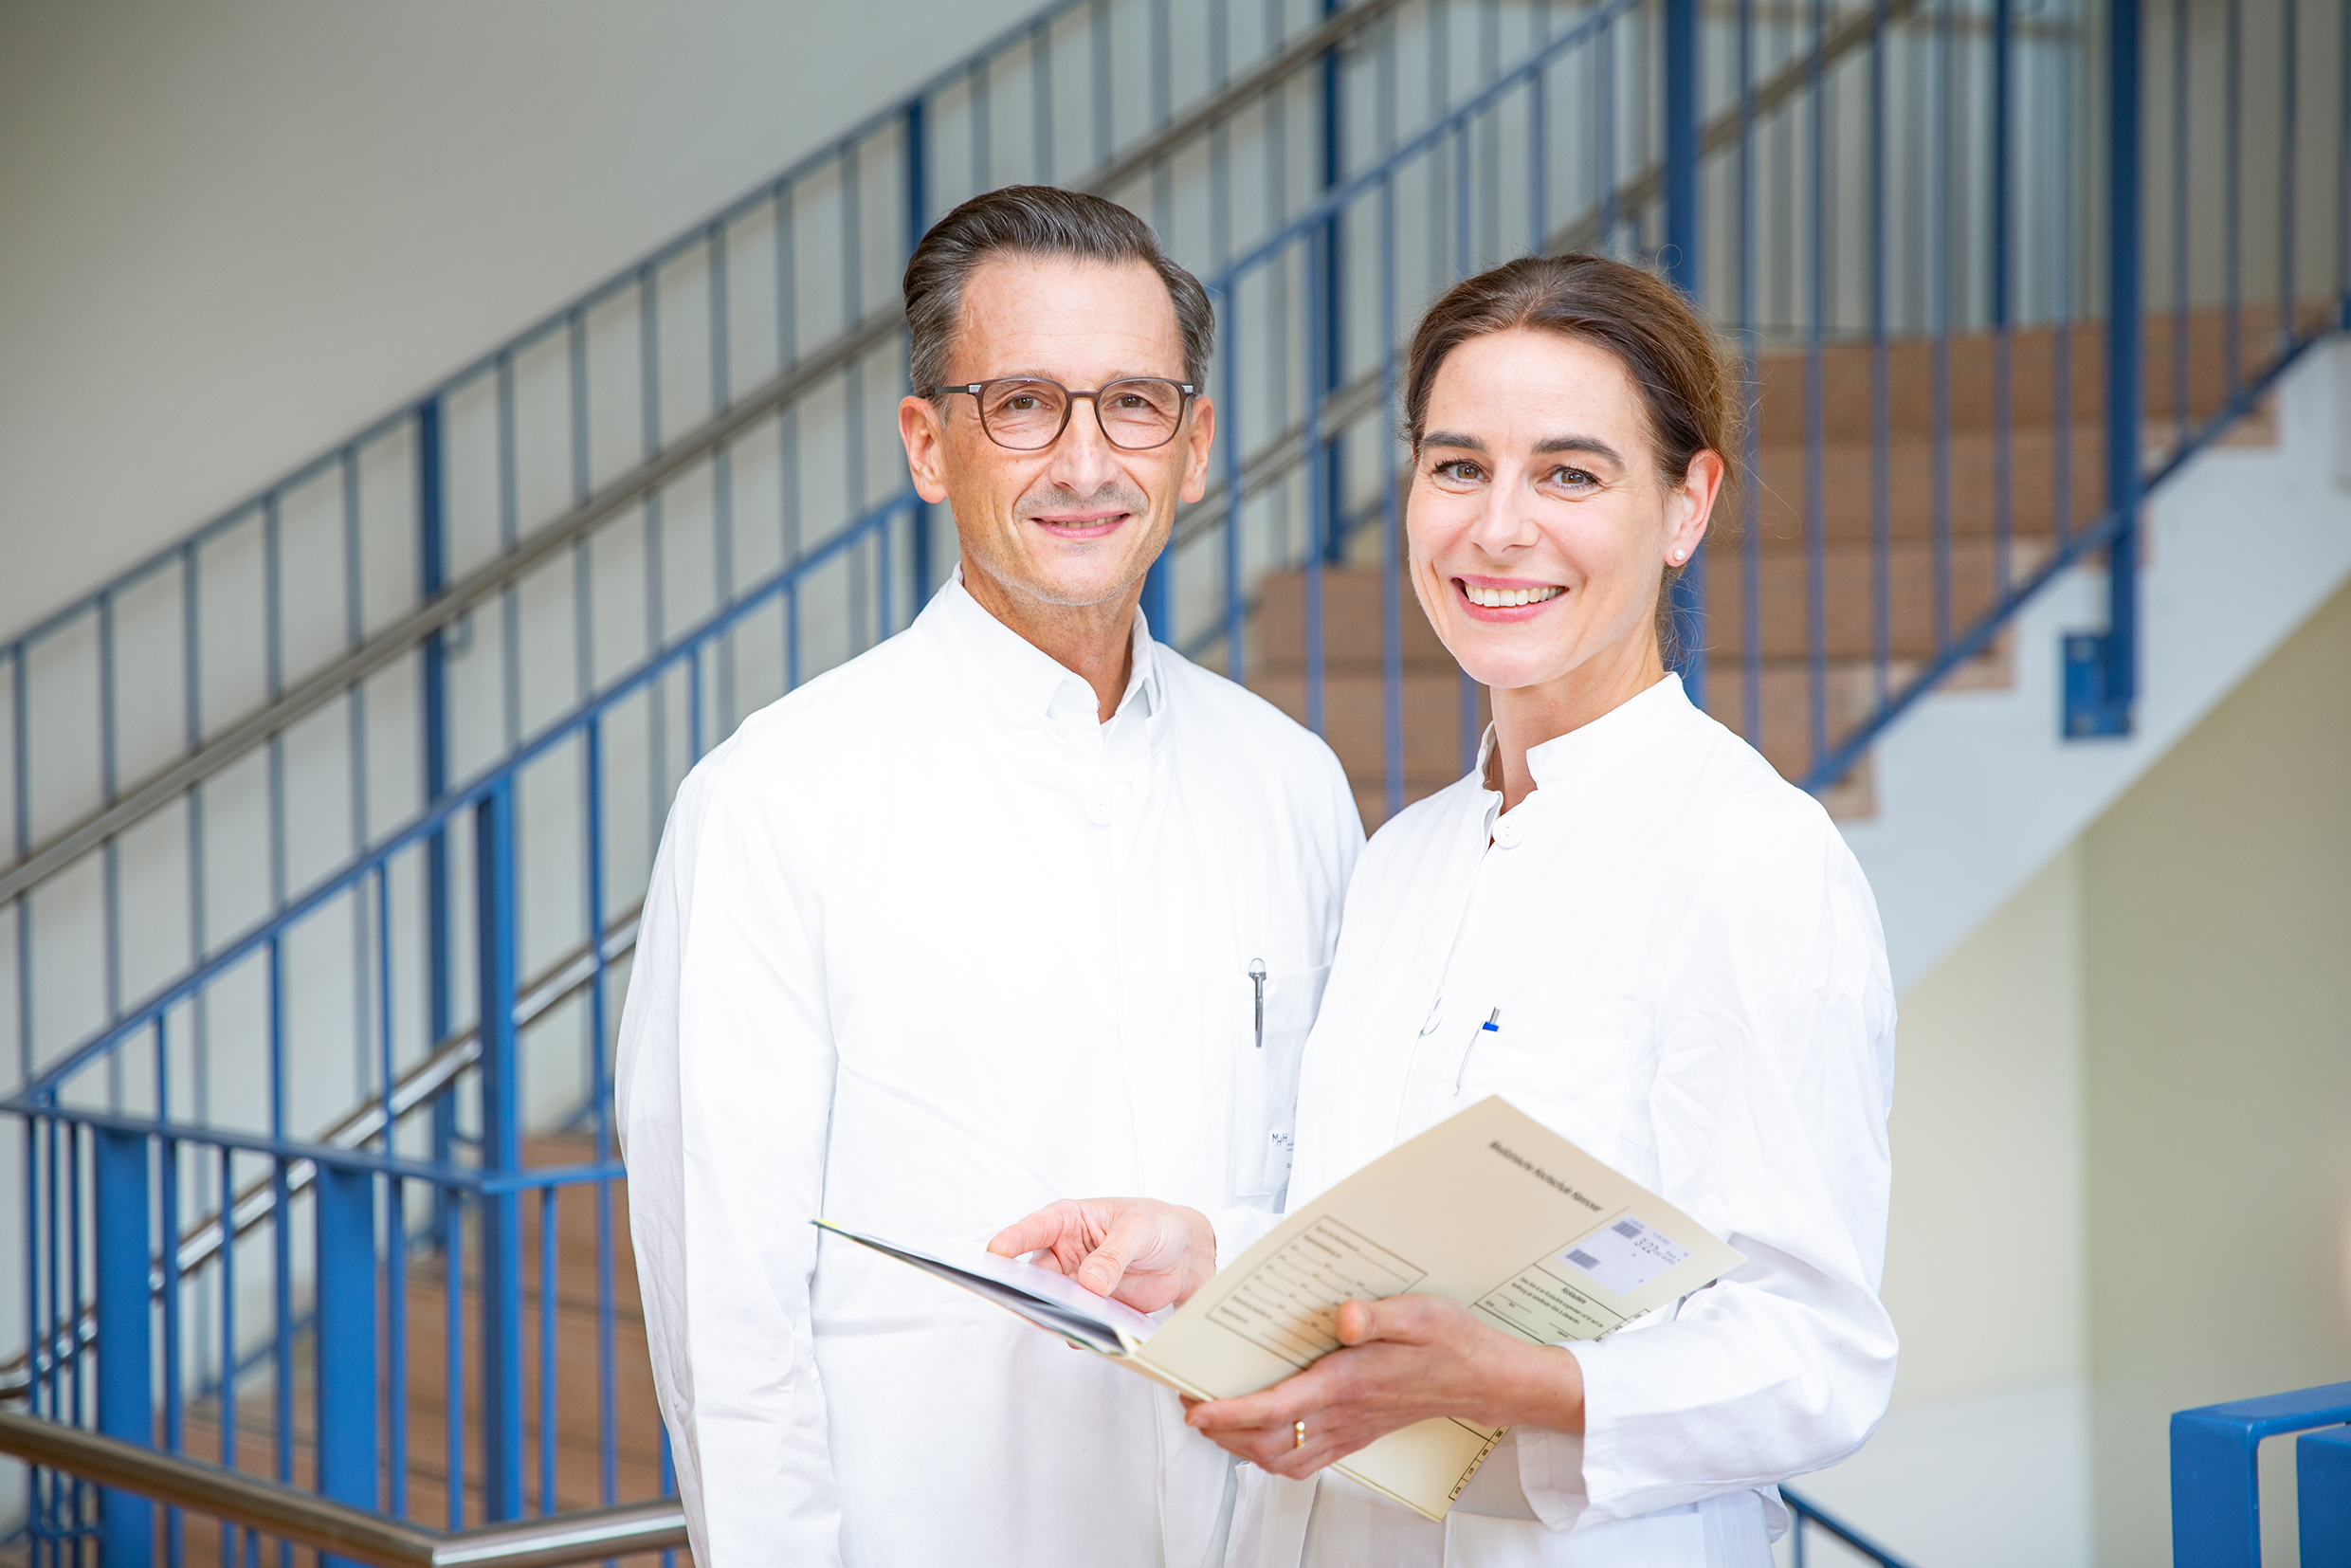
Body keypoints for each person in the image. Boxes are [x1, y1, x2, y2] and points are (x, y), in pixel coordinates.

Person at [991, 252, 1898, 1566]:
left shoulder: (1753, 861)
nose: (1499, 529)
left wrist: (1519, 1381)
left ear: (1688, 503)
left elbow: (1816, 1356)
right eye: (1459, 466)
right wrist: (1205, 1255)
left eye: (1571, 474)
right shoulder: (1405, 856)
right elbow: (1380, 1242)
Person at [615, 186, 1363, 1568]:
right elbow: (730, 1320)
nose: (1087, 460)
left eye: (1135, 404)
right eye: (1023, 403)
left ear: (1194, 445)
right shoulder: (777, 801)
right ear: (927, 443)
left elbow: (1327, 1207)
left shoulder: (1292, 785)